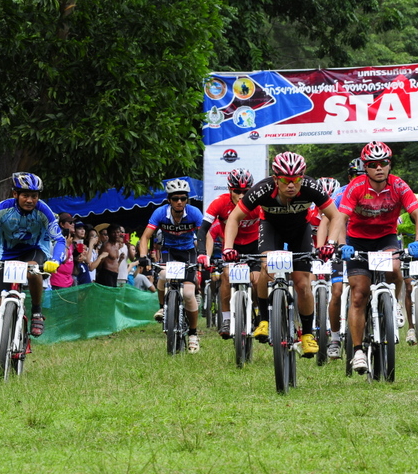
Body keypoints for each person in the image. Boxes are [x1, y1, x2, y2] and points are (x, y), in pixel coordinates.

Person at [222, 151, 342, 358]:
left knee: (302, 283)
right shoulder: (262, 189)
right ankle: (264, 320)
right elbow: (234, 218)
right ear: (276, 179)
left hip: (299, 231)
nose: (291, 185)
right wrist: (227, 248)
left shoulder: (311, 187)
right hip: (271, 229)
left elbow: (336, 216)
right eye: (286, 180)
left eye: (296, 179)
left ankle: (307, 334)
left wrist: (330, 244)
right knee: (267, 267)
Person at [332, 141, 418, 374]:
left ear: (389, 164)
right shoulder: (356, 187)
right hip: (357, 241)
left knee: (394, 268)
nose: (379, 168)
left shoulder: (398, 185)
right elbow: (341, 219)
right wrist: (342, 244)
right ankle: (358, 351)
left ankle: (393, 304)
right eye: (372, 164)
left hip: (385, 239)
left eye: (383, 163)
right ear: (365, 168)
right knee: (359, 294)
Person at [0, 172, 64, 375]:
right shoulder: (1, 209)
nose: (30, 200)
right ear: (15, 194)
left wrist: (56, 260)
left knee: (31, 268)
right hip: (7, 255)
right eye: (25, 195)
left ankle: (37, 312)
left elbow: (59, 239)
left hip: (35, 250)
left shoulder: (44, 211)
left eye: (34, 196)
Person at [138, 179, 204, 353]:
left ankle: (193, 334)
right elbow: (145, 237)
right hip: (169, 251)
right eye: (175, 199)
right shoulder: (160, 213)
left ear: (187, 199)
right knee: (162, 275)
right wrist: (143, 257)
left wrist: (204, 254)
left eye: (183, 198)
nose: (179, 202)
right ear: (169, 200)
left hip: (188, 252)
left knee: (188, 293)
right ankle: (163, 308)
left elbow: (204, 235)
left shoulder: (194, 213)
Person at [196, 168, 262, 339]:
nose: (241, 196)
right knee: (226, 275)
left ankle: (258, 312)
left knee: (257, 280)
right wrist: (203, 253)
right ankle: (226, 319)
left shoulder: (258, 204)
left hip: (255, 246)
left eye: (246, 192)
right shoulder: (220, 202)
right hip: (232, 247)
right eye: (237, 191)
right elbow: (203, 230)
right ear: (229, 189)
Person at [321, 159, 364, 359]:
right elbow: (327, 221)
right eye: (355, 176)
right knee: (337, 291)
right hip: (341, 245)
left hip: (363, 244)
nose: (359, 179)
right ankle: (335, 339)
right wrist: (325, 248)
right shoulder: (340, 193)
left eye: (362, 175)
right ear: (349, 177)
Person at [397, 192, 418, 345]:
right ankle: (411, 328)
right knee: (409, 288)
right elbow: (394, 232)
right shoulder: (402, 219)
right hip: (407, 254)